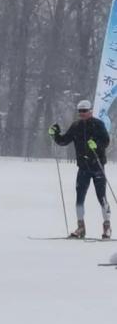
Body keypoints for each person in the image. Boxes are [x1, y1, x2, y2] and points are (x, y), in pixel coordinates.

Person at [49, 99, 111, 238]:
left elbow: (106, 141)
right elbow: (64, 141)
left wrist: (96, 144)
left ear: (90, 111)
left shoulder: (98, 124)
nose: (82, 113)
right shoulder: (76, 126)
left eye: (84, 111)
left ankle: (107, 227)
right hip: (83, 167)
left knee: (102, 197)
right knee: (79, 198)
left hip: (97, 166)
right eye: (80, 111)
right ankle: (81, 228)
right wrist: (55, 135)